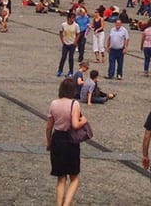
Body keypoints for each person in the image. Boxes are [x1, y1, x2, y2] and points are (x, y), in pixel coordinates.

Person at [46, 76, 87, 206]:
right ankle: (66, 203)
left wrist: (49, 141)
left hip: (57, 138)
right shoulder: (74, 104)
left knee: (61, 178)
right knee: (74, 177)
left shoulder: (54, 103)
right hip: (70, 141)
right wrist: (84, 121)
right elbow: (75, 125)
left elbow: (48, 127)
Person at [58, 12, 80, 77]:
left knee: (71, 58)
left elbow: (78, 34)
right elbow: (60, 32)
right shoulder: (63, 24)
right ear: (69, 18)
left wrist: (75, 41)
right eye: (72, 18)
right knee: (63, 57)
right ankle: (60, 70)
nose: (73, 19)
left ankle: (71, 71)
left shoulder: (76, 25)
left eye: (74, 18)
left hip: (72, 44)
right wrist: (62, 40)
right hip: (65, 43)